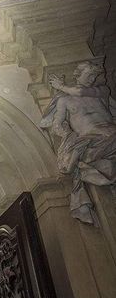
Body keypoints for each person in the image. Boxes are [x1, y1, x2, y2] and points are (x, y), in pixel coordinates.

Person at [40, 61, 116, 224]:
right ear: (77, 74)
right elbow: (57, 124)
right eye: (89, 75)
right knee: (71, 164)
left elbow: (80, 91)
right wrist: (68, 135)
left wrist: (61, 86)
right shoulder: (64, 101)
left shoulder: (101, 91)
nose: (92, 78)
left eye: (95, 75)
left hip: (110, 132)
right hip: (91, 138)